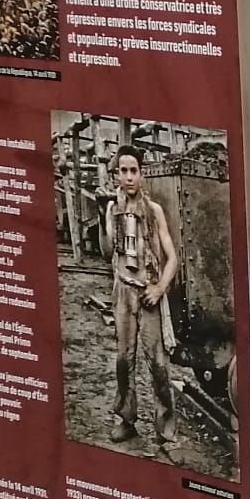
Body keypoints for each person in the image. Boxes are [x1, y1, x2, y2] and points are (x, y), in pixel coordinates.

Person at [104, 145, 179, 452]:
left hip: (148, 294)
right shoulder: (113, 209)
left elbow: (173, 259)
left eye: (133, 170)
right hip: (123, 292)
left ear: (142, 173)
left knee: (159, 365)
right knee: (124, 360)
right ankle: (126, 419)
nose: (128, 177)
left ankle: (166, 432)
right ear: (117, 175)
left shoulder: (154, 211)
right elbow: (107, 253)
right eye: (123, 171)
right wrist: (107, 217)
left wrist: (159, 288)